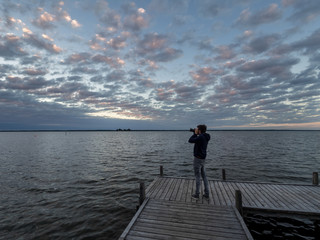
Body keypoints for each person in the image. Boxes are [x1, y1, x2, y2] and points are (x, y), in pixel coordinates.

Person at [188, 124, 210, 200]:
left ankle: (197, 194)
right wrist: (196, 133)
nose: (196, 130)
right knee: (204, 176)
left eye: (197, 129)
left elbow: (190, 140)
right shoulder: (206, 136)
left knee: (197, 176)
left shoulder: (200, 137)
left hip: (197, 159)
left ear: (199, 130)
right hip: (203, 158)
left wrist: (195, 133)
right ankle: (207, 194)